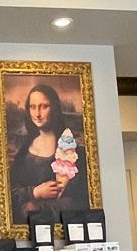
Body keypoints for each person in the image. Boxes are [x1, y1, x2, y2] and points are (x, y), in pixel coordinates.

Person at [7, 80, 88, 224]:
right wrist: (35, 192)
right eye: (32, 107)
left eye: (44, 106)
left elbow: (80, 199)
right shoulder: (24, 153)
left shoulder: (71, 151)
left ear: (55, 108)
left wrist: (41, 206)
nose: (37, 114)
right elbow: (10, 193)